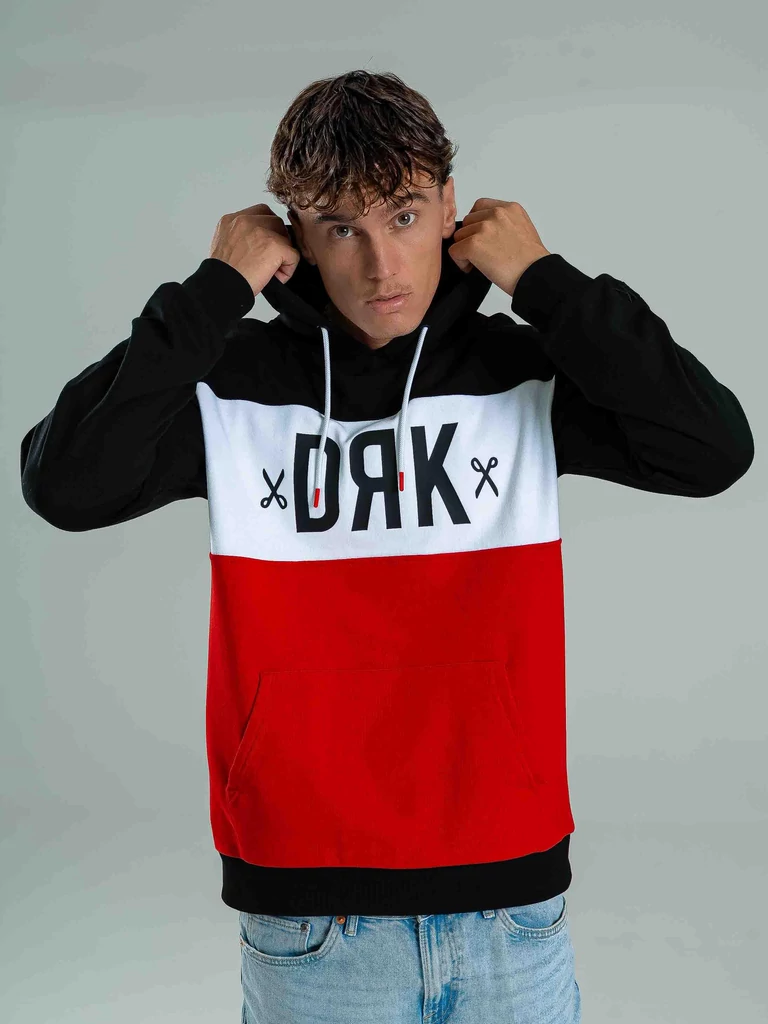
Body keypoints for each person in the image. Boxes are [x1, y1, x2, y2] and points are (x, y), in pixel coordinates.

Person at [20, 70, 754, 1024]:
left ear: (451, 207)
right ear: (294, 236)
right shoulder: (233, 388)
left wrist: (546, 282)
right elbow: (64, 485)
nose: (381, 266)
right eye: (341, 229)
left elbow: (713, 450)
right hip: (311, 912)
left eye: (404, 217)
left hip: (509, 902)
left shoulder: (522, 375)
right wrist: (211, 293)